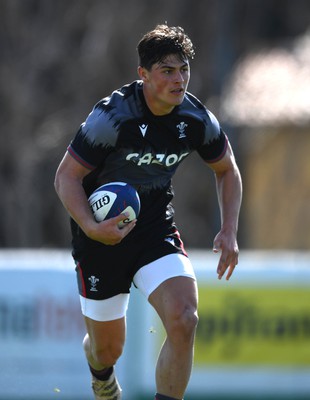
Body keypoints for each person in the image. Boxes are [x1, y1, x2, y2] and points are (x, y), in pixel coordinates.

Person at [54, 24, 242, 400]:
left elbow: (227, 169)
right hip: (100, 237)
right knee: (108, 350)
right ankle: (102, 377)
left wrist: (229, 229)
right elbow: (65, 178)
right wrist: (92, 227)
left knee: (185, 319)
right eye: (167, 71)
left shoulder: (196, 120)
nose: (179, 79)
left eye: (184, 69)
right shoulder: (112, 119)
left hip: (155, 230)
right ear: (143, 75)